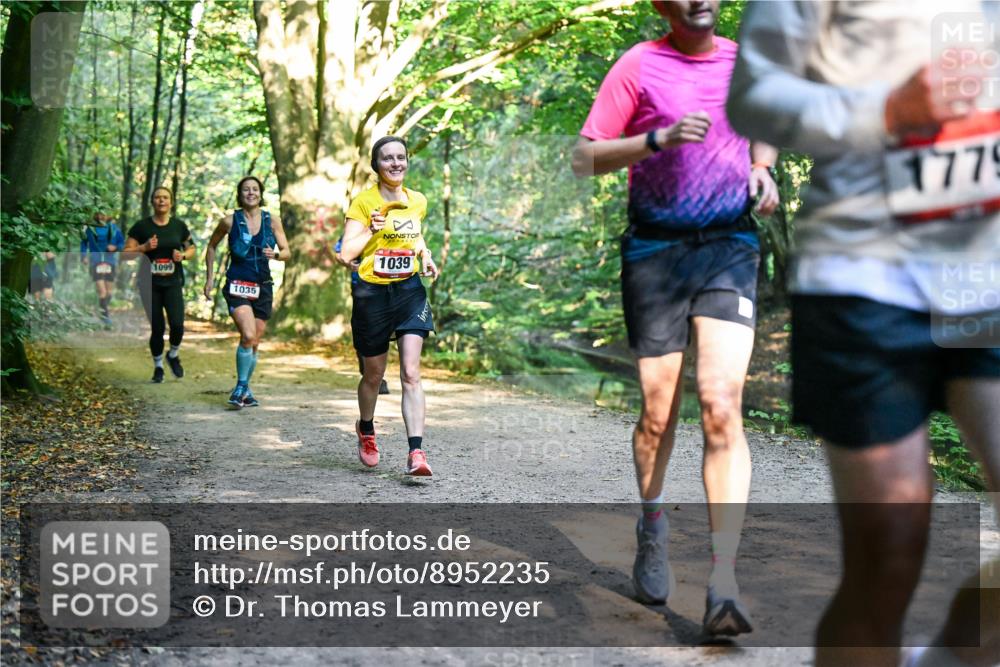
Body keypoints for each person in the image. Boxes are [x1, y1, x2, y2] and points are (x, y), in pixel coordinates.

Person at [727, 2, 999, 666]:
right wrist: (885, 109)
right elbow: (754, 98)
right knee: (889, 555)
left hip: (981, 264)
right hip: (863, 269)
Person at [570, 0, 779, 636]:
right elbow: (584, 156)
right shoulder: (639, 65)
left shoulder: (745, 64)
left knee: (720, 402)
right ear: (663, 3)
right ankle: (652, 522)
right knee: (660, 414)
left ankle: (723, 581)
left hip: (727, 247)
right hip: (655, 252)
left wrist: (762, 169)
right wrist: (655, 139)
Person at [339, 135, 440, 477]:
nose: (396, 163)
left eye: (401, 157)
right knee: (374, 374)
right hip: (372, 295)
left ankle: (416, 453)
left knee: (411, 372)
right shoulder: (364, 203)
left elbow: (416, 236)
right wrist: (371, 228)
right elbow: (346, 254)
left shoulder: (418, 200)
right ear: (376, 165)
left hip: (409, 290)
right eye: (387, 158)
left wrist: (425, 255)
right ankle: (366, 428)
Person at [204, 176, 290, 408]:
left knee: (254, 341)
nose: (250, 193)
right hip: (237, 285)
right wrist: (209, 279)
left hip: (263, 286)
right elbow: (211, 246)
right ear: (240, 194)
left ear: (260, 194)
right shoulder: (229, 221)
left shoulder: (272, 220)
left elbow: (287, 251)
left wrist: (278, 255)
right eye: (245, 190)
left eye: (254, 189)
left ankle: (246, 390)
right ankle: (240, 387)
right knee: (248, 336)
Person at [123, 187, 195, 383]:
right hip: (149, 284)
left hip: (173, 282)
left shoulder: (179, 226)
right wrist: (143, 248)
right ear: (152, 202)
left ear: (171, 202)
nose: (161, 200)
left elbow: (192, 248)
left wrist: (183, 256)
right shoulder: (141, 227)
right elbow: (124, 254)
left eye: (165, 197)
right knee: (157, 328)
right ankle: (158, 367)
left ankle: (172, 355)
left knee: (178, 325)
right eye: (157, 197)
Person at [334, 236, 391, 396]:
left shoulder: (398, 223)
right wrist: (347, 262)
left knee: (387, 332)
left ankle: (379, 374)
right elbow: (339, 252)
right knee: (367, 332)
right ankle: (369, 373)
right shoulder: (357, 226)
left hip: (393, 286)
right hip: (363, 286)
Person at [80, 212, 124, 326]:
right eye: (97, 214)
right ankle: (105, 317)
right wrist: (83, 256)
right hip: (96, 262)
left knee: (109, 292)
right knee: (102, 291)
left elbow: (122, 243)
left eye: (103, 214)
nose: (100, 217)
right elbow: (84, 243)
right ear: (94, 215)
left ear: (108, 215)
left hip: (110, 262)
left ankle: (102, 308)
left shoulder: (114, 229)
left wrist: (115, 247)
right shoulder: (90, 229)